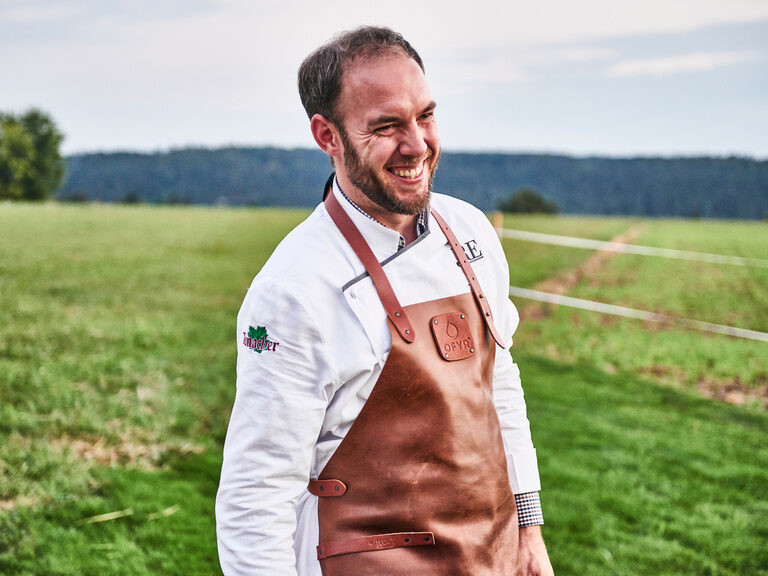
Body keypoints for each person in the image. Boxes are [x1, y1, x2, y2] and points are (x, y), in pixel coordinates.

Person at [216, 26, 554, 576]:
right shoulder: (293, 290)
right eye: (387, 126)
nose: (417, 144)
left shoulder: (468, 230)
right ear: (327, 136)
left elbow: (499, 388)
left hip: (488, 558)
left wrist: (528, 528)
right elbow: (257, 494)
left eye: (425, 115)